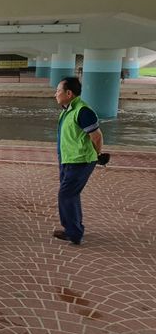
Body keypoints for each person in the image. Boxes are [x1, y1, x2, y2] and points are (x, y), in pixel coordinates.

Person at [53, 77, 104, 246]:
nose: (55, 94)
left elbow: (97, 137)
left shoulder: (83, 111)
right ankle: (74, 228)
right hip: (68, 160)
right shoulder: (67, 110)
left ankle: (74, 233)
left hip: (81, 161)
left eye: (58, 91)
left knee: (66, 194)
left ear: (69, 93)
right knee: (70, 195)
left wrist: (97, 155)